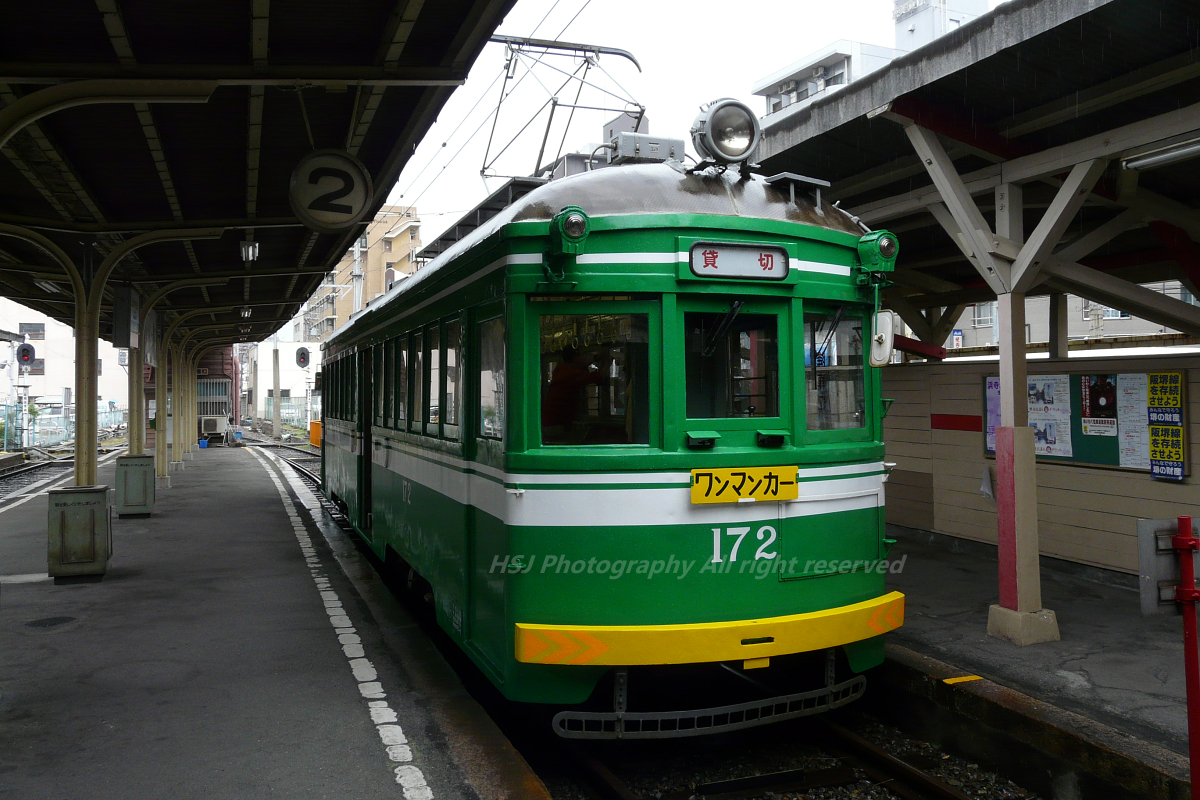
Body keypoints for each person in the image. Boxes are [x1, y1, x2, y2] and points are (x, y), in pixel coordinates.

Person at [542, 346, 606, 444]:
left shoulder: (561, 369)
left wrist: (597, 357)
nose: (586, 358)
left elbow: (582, 364)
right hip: (557, 425)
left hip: (550, 423)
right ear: (576, 358)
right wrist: (608, 363)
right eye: (583, 355)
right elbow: (598, 376)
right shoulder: (570, 373)